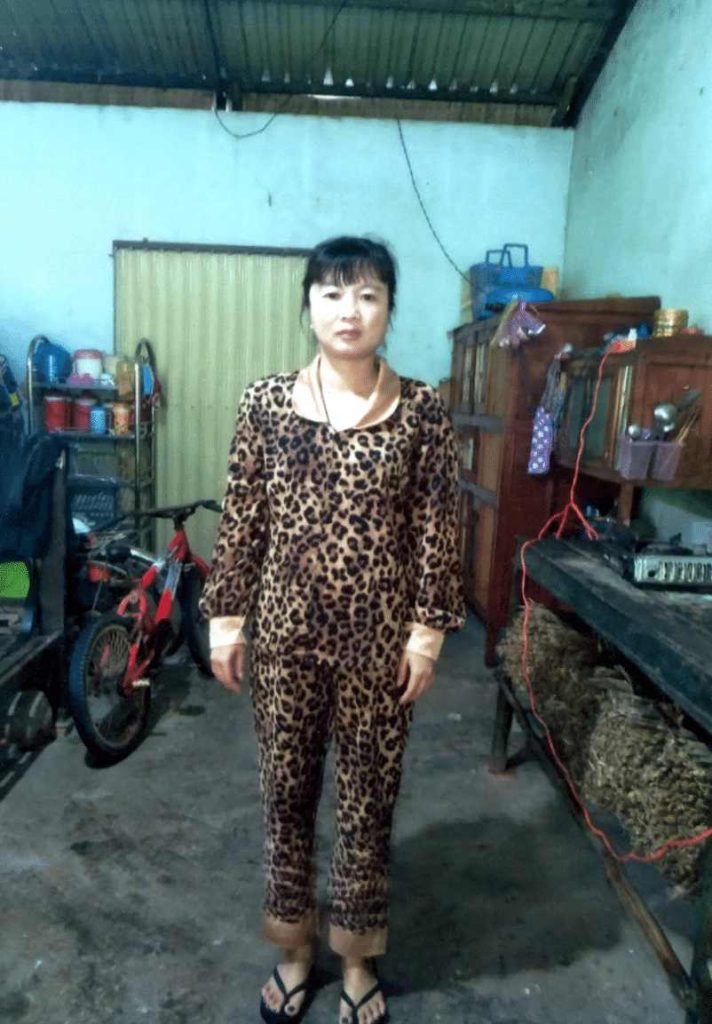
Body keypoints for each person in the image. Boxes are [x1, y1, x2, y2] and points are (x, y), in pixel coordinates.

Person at [200, 235, 465, 1024]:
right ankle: (292, 947)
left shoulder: (421, 411)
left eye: (368, 294)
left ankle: (356, 956)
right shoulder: (266, 403)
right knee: (285, 794)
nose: (350, 311)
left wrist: (426, 635)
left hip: (379, 648)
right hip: (285, 641)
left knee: (368, 800)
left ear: (389, 308)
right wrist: (226, 622)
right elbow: (243, 518)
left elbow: (438, 529)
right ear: (309, 305)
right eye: (333, 293)